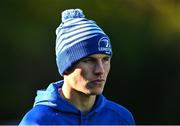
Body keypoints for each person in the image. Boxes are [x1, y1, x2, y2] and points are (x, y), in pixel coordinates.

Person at [19, 8, 135, 125]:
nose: (100, 70)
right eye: (89, 60)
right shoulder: (37, 121)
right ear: (66, 66)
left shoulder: (121, 118)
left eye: (105, 59)